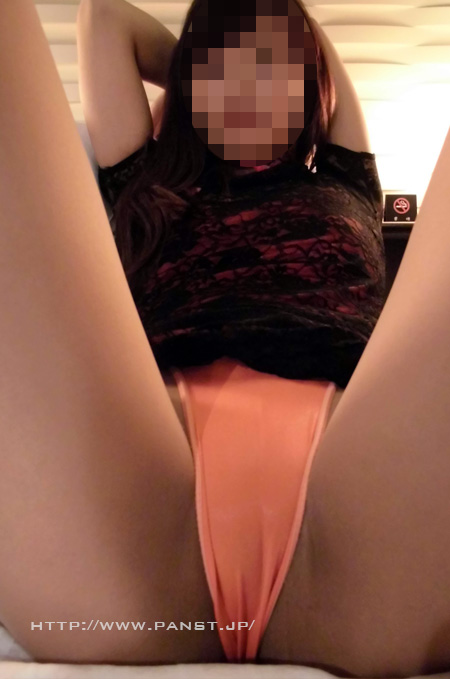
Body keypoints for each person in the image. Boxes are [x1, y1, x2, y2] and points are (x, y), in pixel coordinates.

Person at [0, 0, 450, 676]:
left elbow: (317, 62)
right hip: (137, 503)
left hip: (355, 505)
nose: (243, 88)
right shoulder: (146, 181)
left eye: (271, 67)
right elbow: (103, 18)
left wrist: (256, 51)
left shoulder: (348, 176)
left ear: (311, 86)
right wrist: (197, 72)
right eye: (216, 70)